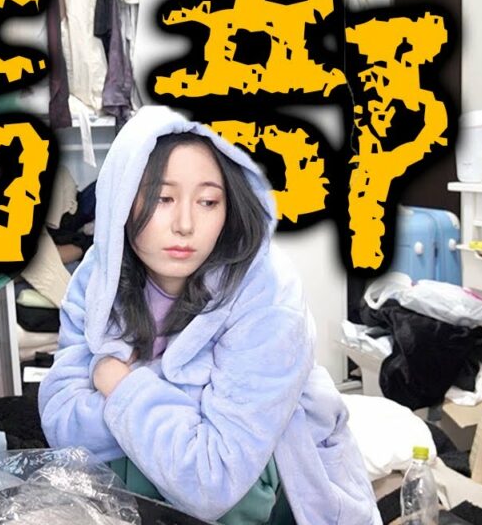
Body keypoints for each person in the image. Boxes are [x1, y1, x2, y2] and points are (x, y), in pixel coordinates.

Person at [38, 106, 380, 525]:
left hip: (273, 490)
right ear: (123, 200)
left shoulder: (267, 288)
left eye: (207, 202)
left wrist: (118, 381)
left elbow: (213, 480)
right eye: (163, 199)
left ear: (229, 206)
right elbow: (62, 426)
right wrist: (190, 408)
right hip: (169, 472)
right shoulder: (98, 275)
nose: (185, 224)